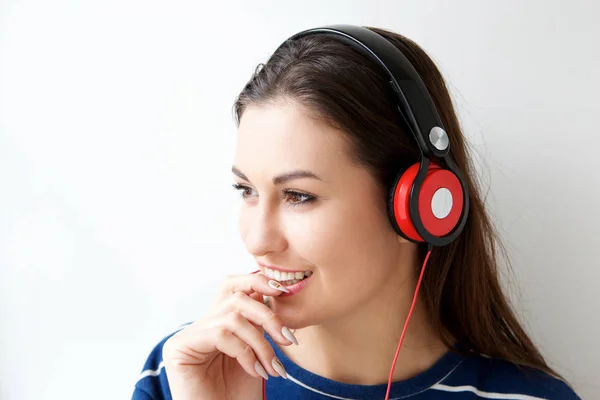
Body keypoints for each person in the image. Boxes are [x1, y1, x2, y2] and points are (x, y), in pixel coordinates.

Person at [131, 25, 581, 400]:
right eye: (246, 189)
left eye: (298, 196)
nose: (257, 240)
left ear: (419, 205)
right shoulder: (184, 372)